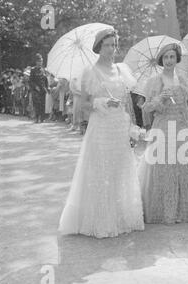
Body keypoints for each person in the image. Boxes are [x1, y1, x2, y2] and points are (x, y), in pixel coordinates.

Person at [58, 28, 145, 238]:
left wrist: (131, 126)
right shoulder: (90, 71)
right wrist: (101, 102)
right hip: (101, 128)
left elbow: (127, 103)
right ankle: (102, 220)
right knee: (101, 170)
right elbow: (82, 106)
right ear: (98, 47)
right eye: (107, 45)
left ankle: (122, 216)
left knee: (121, 169)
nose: (111, 49)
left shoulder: (122, 70)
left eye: (114, 44)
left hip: (118, 127)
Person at [139, 42, 188, 224]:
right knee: (164, 166)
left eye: (172, 57)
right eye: (166, 57)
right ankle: (165, 209)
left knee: (182, 165)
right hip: (163, 128)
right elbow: (146, 108)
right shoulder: (154, 81)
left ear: (177, 59)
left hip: (181, 127)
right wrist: (160, 98)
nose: (169, 60)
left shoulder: (183, 79)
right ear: (161, 60)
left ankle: (183, 208)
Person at [29, 54, 48, 123]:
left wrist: (47, 88)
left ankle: (42, 118)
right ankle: (37, 118)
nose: (40, 63)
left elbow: (45, 80)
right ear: (36, 62)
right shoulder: (33, 70)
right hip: (36, 90)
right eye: (39, 61)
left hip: (43, 90)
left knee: (43, 104)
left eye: (41, 61)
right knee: (36, 104)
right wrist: (35, 87)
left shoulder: (43, 70)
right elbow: (30, 81)